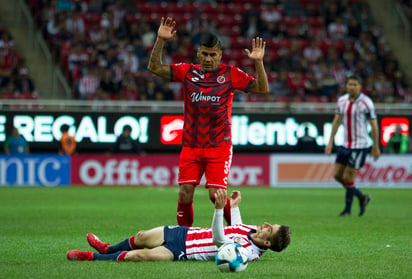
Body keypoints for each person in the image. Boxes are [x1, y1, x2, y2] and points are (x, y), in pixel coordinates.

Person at [147, 17, 269, 227]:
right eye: (204, 54)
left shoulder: (231, 74)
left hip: (218, 146)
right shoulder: (187, 72)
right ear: (198, 53)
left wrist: (258, 62)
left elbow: (261, 89)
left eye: (213, 55)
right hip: (191, 146)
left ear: (220, 55)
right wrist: (160, 40)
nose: (208, 59)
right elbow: (155, 67)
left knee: (216, 195)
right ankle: (182, 240)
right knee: (185, 192)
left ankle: (238, 232)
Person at [66, 189, 291, 262]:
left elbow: (220, 240)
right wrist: (233, 207)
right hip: (186, 233)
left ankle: (90, 257)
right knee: (141, 236)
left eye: (270, 229)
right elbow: (236, 229)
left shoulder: (248, 253)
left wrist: (218, 210)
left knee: (139, 255)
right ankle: (107, 248)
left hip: (184, 251)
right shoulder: (252, 233)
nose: (265, 224)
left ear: (268, 242)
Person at [325, 75, 381, 217]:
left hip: (360, 145)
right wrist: (330, 142)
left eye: (355, 84)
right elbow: (336, 121)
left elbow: (374, 125)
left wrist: (376, 146)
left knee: (349, 178)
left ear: (360, 86)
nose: (352, 87)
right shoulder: (342, 101)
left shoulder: (366, 102)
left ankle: (347, 210)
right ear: (346, 86)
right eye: (350, 84)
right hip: (345, 144)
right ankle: (362, 197)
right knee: (338, 176)